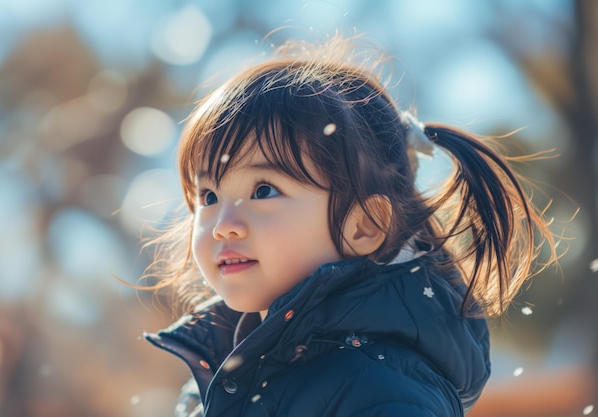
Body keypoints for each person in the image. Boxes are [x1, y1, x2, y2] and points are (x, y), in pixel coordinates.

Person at [142, 35, 558, 417]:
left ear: (364, 227)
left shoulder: (381, 387)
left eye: (264, 190)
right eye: (209, 197)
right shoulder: (223, 378)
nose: (223, 226)